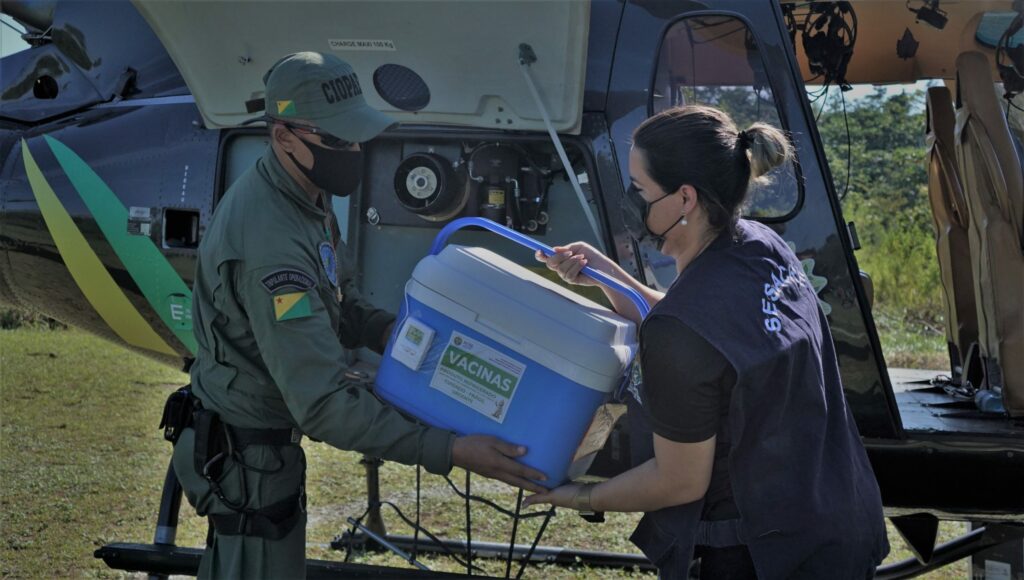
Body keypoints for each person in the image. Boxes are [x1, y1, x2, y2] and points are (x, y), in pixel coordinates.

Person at [172, 52, 545, 579]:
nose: (353, 152)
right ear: (284, 137)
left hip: (262, 452)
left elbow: (337, 293)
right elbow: (322, 404)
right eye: (338, 141)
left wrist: (387, 330)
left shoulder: (303, 195)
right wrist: (450, 449)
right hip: (245, 461)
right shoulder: (270, 243)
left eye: (356, 138)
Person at [524, 105, 889, 579]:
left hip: (760, 557)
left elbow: (677, 481)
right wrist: (605, 275)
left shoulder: (685, 328)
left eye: (639, 190)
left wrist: (580, 495)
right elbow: (710, 329)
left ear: (685, 198)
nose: (631, 201)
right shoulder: (762, 246)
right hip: (834, 518)